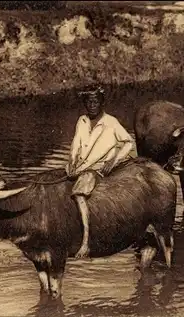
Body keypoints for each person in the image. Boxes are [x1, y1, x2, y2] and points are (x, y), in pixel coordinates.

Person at [66, 85, 134, 258]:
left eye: (96, 101)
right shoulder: (82, 120)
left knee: (79, 194)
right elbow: (76, 144)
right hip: (80, 165)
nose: (92, 105)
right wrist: (72, 160)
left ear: (102, 103)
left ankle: (86, 242)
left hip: (97, 167)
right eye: (89, 102)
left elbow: (128, 142)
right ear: (85, 104)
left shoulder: (111, 122)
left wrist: (114, 160)